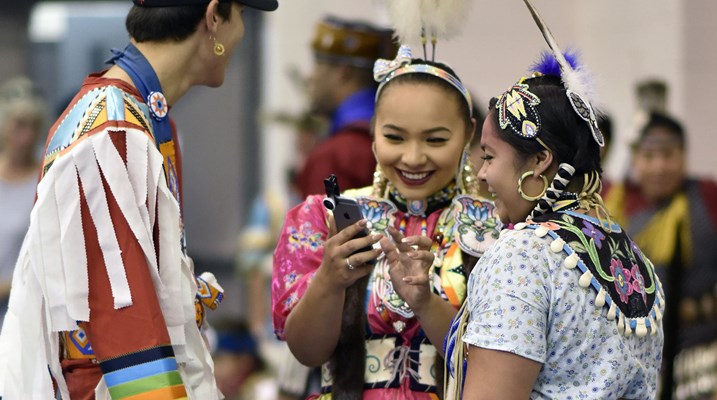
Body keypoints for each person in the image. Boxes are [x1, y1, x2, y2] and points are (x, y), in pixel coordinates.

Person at [0, 0, 278, 398]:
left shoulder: (132, 115)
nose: (241, 33)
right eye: (243, 16)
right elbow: (124, 321)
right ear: (214, 17)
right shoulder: (115, 133)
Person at [437, 1, 665, 398]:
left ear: (541, 160)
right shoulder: (630, 256)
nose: (483, 173)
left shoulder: (522, 253)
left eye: (489, 156)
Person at [272, 43, 502, 399]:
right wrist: (330, 280)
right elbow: (307, 352)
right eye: (394, 137)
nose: (413, 157)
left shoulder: (499, 230)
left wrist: (425, 302)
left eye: (435, 140)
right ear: (373, 132)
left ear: (468, 134)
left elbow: (498, 367)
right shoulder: (324, 218)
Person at [604, 112, 717, 400]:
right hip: (630, 360)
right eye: (649, 155)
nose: (659, 166)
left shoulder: (705, 197)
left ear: (683, 156)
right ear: (635, 159)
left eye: (668, 155)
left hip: (702, 356)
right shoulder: (614, 205)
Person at [294, 16, 396, 198]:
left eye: (318, 66)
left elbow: (319, 226)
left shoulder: (334, 157)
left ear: (342, 73)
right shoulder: (396, 140)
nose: (310, 77)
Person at [0, 77, 45, 329]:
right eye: (19, 125)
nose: (26, 136)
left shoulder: (43, 180)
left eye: (34, 127)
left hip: (21, 312)